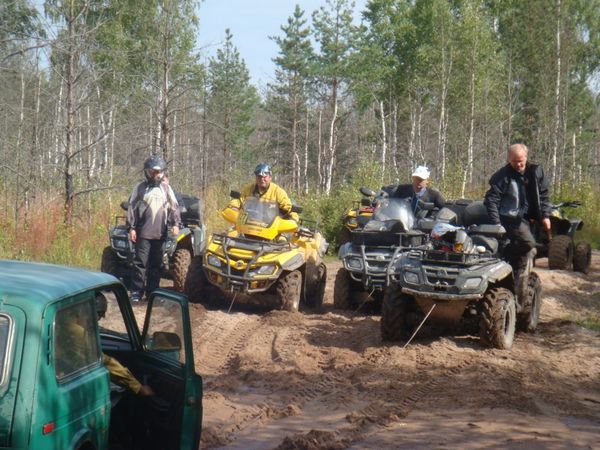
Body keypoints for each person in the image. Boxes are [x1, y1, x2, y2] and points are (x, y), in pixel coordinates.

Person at [484, 143, 552, 299]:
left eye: (521, 161)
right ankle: (506, 254)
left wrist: (546, 215)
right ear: (509, 159)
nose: (518, 164)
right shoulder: (502, 176)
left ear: (526, 157)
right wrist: (496, 224)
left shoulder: (536, 172)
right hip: (510, 218)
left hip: (530, 219)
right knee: (528, 243)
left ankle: (519, 289)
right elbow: (491, 200)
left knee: (530, 252)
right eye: (514, 161)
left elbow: (544, 195)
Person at [127, 155, 182, 303]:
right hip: (143, 233)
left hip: (160, 233)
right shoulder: (140, 188)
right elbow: (132, 207)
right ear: (147, 172)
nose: (156, 175)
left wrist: (176, 224)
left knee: (157, 265)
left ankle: (153, 292)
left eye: (158, 172)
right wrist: (131, 228)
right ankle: (136, 292)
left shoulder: (166, 188)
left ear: (163, 172)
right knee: (140, 263)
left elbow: (174, 207)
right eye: (153, 172)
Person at [230, 163, 299, 222]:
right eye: (259, 177)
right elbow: (239, 200)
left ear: (270, 177)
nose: (262, 179)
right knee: (231, 232)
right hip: (248, 225)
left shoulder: (278, 192)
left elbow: (288, 208)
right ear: (256, 177)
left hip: (272, 229)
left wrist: (293, 218)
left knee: (286, 234)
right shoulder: (249, 189)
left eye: (264, 177)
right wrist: (233, 207)